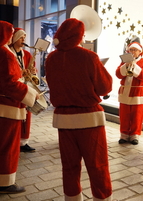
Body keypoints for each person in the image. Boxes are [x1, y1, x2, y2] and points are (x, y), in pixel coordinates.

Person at [45, 18, 113, 201]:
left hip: (64, 118)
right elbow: (105, 87)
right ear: (79, 35)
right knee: (97, 164)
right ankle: (102, 197)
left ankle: (72, 198)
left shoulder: (51, 58)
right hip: (88, 118)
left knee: (69, 165)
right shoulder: (89, 57)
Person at [0, 20, 39, 193]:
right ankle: (5, 182)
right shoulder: (5, 54)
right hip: (9, 104)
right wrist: (31, 93)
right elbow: (11, 84)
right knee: (8, 145)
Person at [116, 42, 143, 145]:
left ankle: (135, 135)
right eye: (131, 50)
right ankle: (124, 135)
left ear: (140, 52)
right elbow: (118, 74)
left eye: (135, 50)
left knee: (137, 115)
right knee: (124, 114)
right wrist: (125, 66)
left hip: (137, 92)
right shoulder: (124, 62)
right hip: (125, 91)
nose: (132, 52)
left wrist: (134, 66)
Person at [10, 28, 36, 153]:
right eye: (21, 37)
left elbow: (32, 68)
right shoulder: (9, 54)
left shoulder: (28, 54)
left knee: (27, 115)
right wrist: (20, 73)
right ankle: (14, 141)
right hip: (15, 88)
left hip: (26, 87)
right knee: (16, 115)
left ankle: (23, 142)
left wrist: (32, 72)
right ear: (14, 38)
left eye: (24, 37)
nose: (23, 39)